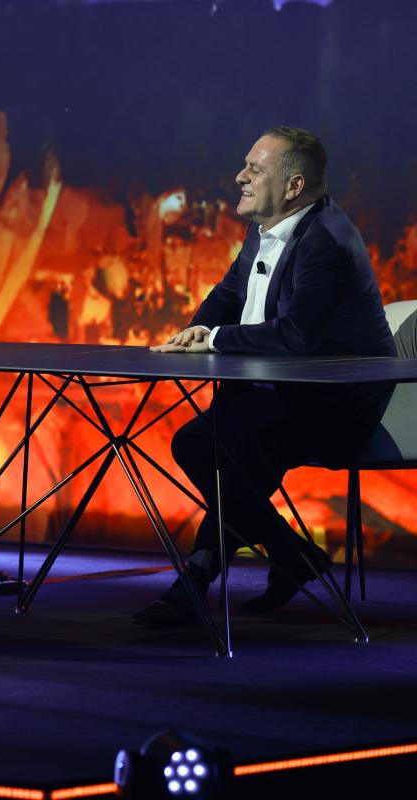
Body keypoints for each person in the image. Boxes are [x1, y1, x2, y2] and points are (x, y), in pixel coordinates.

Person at [136, 126, 395, 627]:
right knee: (197, 444)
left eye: (255, 169)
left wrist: (216, 341)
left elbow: (297, 337)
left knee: (236, 448)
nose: (240, 177)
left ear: (294, 186)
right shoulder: (265, 227)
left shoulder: (326, 243)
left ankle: (196, 580)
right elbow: (229, 292)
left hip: (335, 406)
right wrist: (196, 330)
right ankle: (291, 553)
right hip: (275, 398)